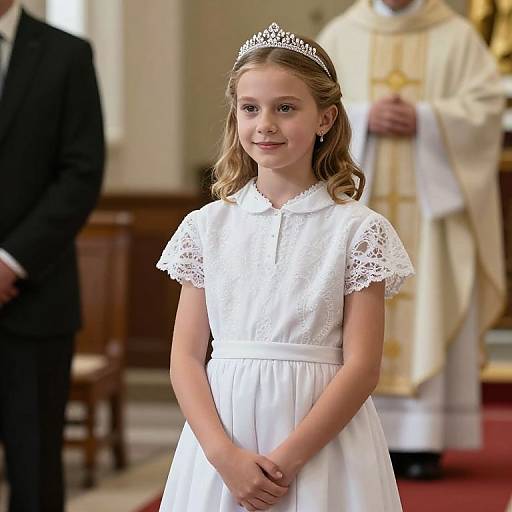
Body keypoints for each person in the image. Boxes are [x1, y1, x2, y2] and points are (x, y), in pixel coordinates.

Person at [156, 21, 414, 512]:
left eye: (286, 108)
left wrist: (288, 461)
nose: (265, 124)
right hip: (221, 440)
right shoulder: (206, 227)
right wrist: (223, 456)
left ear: (325, 119)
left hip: (322, 444)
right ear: (235, 116)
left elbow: (362, 367)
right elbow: (186, 358)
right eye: (250, 109)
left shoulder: (358, 231)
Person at [318, 0, 505, 479]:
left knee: (431, 304)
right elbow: (311, 106)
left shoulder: (457, 36)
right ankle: (354, 430)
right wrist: (360, 118)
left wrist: (427, 120)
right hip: (358, 214)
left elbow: (487, 109)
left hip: (432, 214)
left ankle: (424, 440)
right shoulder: (341, 34)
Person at [0, 0, 104, 510]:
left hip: (35, 297)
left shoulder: (66, 55)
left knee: (35, 466)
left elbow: (82, 172)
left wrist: (10, 261)